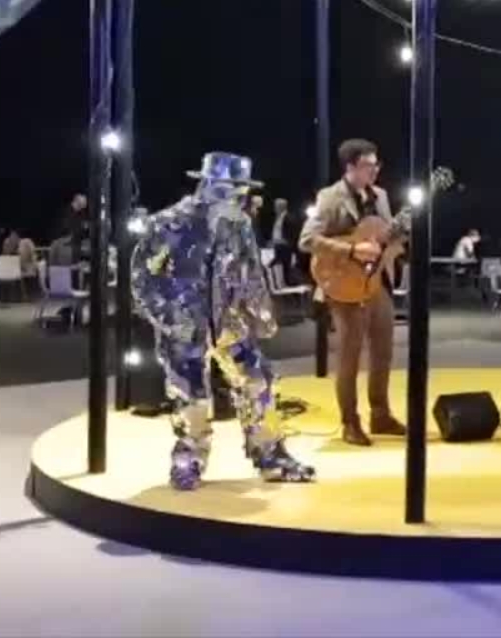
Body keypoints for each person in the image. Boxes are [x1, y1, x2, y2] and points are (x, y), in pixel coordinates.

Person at [131, 152, 314, 490]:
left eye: (243, 188)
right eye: (235, 187)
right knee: (191, 394)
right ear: (210, 183)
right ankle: (190, 457)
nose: (240, 194)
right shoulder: (169, 223)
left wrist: (260, 314)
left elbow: (250, 271)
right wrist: (169, 317)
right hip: (184, 324)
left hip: (229, 320)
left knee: (258, 380)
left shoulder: (237, 223)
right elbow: (144, 278)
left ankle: (269, 452)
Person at [299, 139, 407, 447]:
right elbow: (307, 240)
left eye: (376, 164)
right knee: (350, 355)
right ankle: (350, 421)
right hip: (343, 285)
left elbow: (383, 236)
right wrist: (351, 250)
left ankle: (380, 414)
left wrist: (398, 235)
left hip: (376, 283)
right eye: (367, 165)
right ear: (350, 167)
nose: (374, 171)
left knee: (383, 351)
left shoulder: (380, 195)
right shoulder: (330, 197)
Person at [269, 198, 300, 284]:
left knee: (286, 265)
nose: (274, 208)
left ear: (281, 207)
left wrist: (288, 242)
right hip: (278, 245)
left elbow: (293, 232)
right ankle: (284, 282)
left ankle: (290, 282)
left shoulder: (289, 217)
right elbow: (277, 231)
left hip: (285, 246)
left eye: (276, 206)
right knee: (279, 264)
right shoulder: (278, 217)